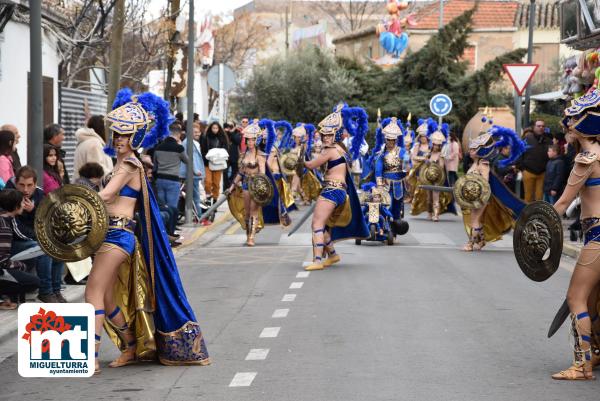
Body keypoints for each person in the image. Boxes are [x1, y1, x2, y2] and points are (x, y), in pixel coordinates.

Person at [90, 88, 209, 374]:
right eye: (116, 134)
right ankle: (130, 345)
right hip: (108, 235)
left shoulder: (130, 163)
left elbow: (106, 196)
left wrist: (73, 200)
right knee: (105, 296)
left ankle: (89, 357)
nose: (119, 140)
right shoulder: (122, 162)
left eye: (124, 135)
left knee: (92, 291)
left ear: (136, 138)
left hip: (117, 236)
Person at [550, 90, 600, 380]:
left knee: (576, 297)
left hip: (597, 237)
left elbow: (561, 205)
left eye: (569, 123)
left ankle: (581, 365)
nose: (566, 128)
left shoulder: (586, 159)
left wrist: (530, 221)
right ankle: (595, 352)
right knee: (593, 299)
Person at [302, 104, 369, 271]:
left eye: (329, 135)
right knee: (323, 226)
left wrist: (300, 157)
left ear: (336, 135)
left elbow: (311, 165)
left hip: (331, 191)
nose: (325, 138)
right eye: (324, 135)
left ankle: (317, 261)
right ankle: (332, 255)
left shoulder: (330, 151)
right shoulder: (342, 149)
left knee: (317, 224)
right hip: (340, 192)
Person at [461, 123, 527, 251]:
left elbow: (485, 182)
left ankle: (470, 243)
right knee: (476, 220)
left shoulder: (483, 165)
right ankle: (480, 242)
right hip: (474, 196)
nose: (470, 152)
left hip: (482, 197)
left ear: (480, 151)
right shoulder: (474, 164)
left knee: (474, 220)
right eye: (471, 149)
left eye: (473, 150)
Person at [6, 166, 65, 302]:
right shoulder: (8, 196)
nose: (25, 190)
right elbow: (15, 228)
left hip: (30, 236)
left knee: (59, 247)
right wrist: (41, 239)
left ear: (35, 184)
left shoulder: (39, 194)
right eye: (21, 185)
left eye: (29, 185)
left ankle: (56, 290)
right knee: (43, 249)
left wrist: (34, 210)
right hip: (13, 242)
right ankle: (45, 292)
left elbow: (47, 219)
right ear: (16, 183)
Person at [227, 119, 290, 246]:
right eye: (248, 140)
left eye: (252, 139)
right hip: (245, 185)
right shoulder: (244, 155)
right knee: (247, 212)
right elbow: (241, 173)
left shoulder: (261, 156)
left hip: (256, 186)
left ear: (257, 140)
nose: (250, 142)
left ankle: (251, 237)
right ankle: (248, 235)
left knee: (254, 211)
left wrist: (261, 185)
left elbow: (262, 173)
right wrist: (232, 186)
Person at [0, 189, 40, 308]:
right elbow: (2, 261)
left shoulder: (5, 219)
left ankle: (9, 298)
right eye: (22, 202)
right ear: (16, 206)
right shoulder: (4, 226)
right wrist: (21, 266)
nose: (24, 205)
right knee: (34, 282)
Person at [411, 122, 455, 222]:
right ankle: (430, 213)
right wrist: (426, 161)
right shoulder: (428, 154)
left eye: (437, 145)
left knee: (436, 197)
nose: (435, 146)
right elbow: (422, 163)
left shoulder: (441, 155)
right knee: (428, 197)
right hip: (427, 178)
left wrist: (435, 169)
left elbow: (441, 168)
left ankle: (436, 215)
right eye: (434, 144)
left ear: (439, 146)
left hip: (437, 179)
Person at [372, 117, 407, 226]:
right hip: (385, 184)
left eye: (393, 140)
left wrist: (407, 168)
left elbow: (407, 165)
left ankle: (395, 228)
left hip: (398, 184)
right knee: (387, 205)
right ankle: (383, 225)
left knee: (397, 207)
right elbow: (378, 170)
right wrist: (379, 184)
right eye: (389, 139)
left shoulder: (402, 152)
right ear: (385, 139)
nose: (391, 142)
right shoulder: (381, 153)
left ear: (396, 140)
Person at [153, 122, 188, 210]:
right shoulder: (179, 148)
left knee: (161, 207)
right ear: (179, 134)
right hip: (173, 180)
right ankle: (171, 224)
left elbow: (155, 167)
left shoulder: (158, 147)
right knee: (172, 208)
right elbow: (187, 161)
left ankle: (163, 223)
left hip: (160, 180)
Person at [517, 120, 552, 202]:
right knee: (528, 197)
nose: (541, 128)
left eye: (543, 126)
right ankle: (528, 214)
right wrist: (522, 168)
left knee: (539, 197)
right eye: (538, 126)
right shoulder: (527, 139)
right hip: (528, 171)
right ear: (534, 127)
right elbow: (519, 153)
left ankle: (538, 213)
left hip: (542, 172)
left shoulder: (548, 140)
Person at [179, 122, 207, 222]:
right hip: (192, 174)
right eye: (195, 132)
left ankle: (196, 216)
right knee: (195, 196)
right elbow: (190, 159)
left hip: (194, 173)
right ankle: (199, 217)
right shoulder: (188, 143)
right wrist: (196, 171)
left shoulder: (193, 142)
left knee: (194, 195)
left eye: (198, 132)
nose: (198, 134)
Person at [73, 115, 114, 180]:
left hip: (83, 185)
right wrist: (113, 176)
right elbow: (96, 170)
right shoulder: (94, 143)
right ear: (101, 128)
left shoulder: (84, 141)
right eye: (105, 127)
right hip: (92, 188)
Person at [201, 122, 230, 205]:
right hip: (207, 162)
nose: (215, 130)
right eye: (213, 128)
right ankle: (208, 196)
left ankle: (215, 199)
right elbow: (203, 149)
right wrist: (206, 157)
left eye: (216, 128)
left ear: (219, 129)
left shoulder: (222, 137)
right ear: (210, 128)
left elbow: (226, 149)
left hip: (218, 163)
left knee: (216, 183)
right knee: (208, 181)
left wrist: (218, 155)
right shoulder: (206, 137)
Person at [224, 122, 242, 191]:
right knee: (225, 172)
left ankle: (232, 186)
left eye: (231, 126)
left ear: (234, 126)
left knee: (234, 172)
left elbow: (237, 141)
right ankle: (226, 187)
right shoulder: (224, 133)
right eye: (228, 125)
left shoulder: (237, 132)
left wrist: (232, 132)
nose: (229, 127)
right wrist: (226, 132)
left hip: (234, 156)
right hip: (226, 156)